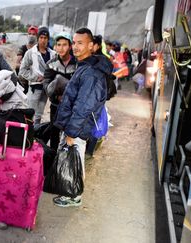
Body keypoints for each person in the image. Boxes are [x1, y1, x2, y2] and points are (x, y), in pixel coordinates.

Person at [53, 27, 111, 207]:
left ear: (92, 46)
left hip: (79, 126)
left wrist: (71, 131)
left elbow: (84, 106)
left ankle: (74, 195)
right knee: (74, 157)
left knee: (75, 158)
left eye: (81, 43)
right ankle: (71, 191)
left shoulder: (92, 72)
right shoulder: (85, 66)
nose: (75, 47)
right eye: (75, 43)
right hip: (76, 124)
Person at [43, 32, 77, 152]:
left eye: (64, 45)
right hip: (56, 105)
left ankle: (67, 160)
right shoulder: (51, 64)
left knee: (71, 134)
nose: (61, 48)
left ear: (70, 46)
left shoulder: (78, 64)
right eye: (58, 45)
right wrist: (56, 97)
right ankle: (52, 159)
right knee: (54, 133)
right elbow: (46, 84)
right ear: (55, 47)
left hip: (73, 106)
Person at [19, 26, 55, 125]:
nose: (43, 40)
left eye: (45, 38)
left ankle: (35, 134)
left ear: (48, 39)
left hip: (46, 89)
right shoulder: (30, 53)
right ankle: (27, 135)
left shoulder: (53, 54)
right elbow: (22, 70)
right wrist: (35, 78)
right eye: (41, 38)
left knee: (39, 114)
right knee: (30, 112)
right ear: (38, 38)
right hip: (35, 88)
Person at [15, 25, 38, 93]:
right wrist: (25, 66)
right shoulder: (23, 48)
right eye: (30, 34)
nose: (31, 36)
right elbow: (17, 64)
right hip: (24, 75)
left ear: (37, 36)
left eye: (34, 34)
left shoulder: (38, 49)